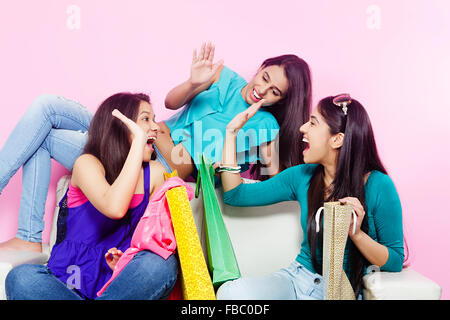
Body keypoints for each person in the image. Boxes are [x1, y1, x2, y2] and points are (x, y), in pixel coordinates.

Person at [0, 42, 312, 252]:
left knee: (41, 138)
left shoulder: (265, 126)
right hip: (142, 130)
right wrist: (193, 82)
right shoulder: (223, 76)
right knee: (46, 106)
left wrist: (163, 138)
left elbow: (188, 165)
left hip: (151, 155)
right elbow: (170, 102)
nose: (262, 90)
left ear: (281, 101)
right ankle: (25, 234)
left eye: (274, 92)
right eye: (265, 78)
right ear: (261, 67)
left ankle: (28, 238)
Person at [215, 94, 406, 299]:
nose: (302, 128)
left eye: (313, 124)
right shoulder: (302, 175)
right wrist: (231, 132)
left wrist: (356, 234)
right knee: (231, 293)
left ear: (337, 139)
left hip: (338, 291)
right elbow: (236, 196)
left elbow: (395, 260)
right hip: (296, 279)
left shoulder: (378, 185)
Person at [5, 92, 178, 300]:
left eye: (154, 119)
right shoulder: (87, 164)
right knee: (22, 277)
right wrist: (137, 144)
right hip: (67, 286)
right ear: (122, 127)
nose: (156, 127)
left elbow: (155, 237)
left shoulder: (156, 173)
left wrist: (127, 260)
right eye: (145, 119)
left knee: (160, 264)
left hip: (118, 286)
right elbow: (114, 207)